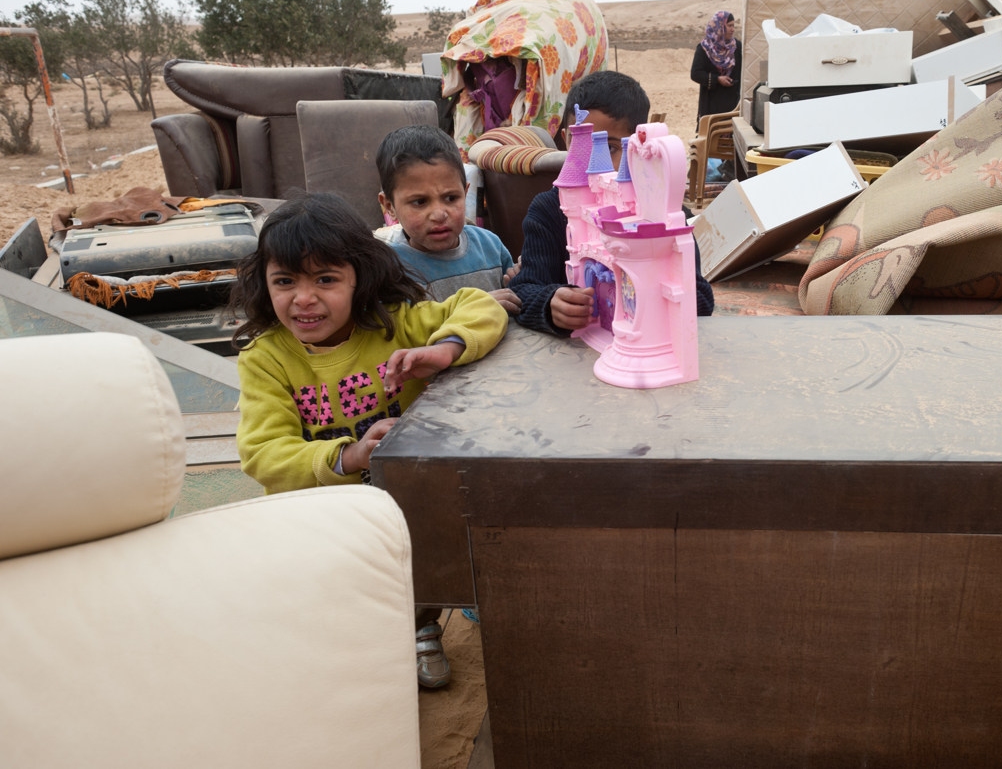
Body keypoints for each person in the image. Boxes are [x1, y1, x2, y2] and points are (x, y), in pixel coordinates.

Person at [229, 192, 508, 691]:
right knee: (338, 606)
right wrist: (350, 454)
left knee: (416, 561)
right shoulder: (265, 359)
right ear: (264, 283)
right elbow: (263, 454)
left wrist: (445, 349)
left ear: (360, 277)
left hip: (404, 505)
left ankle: (421, 626)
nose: (303, 298)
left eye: (325, 279)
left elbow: (480, 306)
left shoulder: (393, 324)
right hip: (322, 518)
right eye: (285, 281)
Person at [509, 70, 714, 335]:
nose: (593, 164)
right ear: (566, 139)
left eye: (610, 148)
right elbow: (522, 291)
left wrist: (653, 291)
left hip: (643, 345)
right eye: (581, 144)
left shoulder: (662, 214)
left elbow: (701, 298)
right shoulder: (548, 211)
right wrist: (549, 304)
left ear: (637, 149)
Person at [375, 124, 522, 313]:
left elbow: (513, 301)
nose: (439, 215)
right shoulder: (390, 271)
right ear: (389, 206)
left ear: (465, 193)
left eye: (451, 198)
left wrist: (519, 282)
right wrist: (473, 308)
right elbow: (399, 327)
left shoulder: (490, 247)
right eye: (420, 202)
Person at [691, 11, 741, 121]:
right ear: (720, 27)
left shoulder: (737, 47)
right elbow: (695, 73)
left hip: (733, 107)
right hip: (711, 106)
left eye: (733, 26)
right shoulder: (704, 48)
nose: (733, 29)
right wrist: (717, 79)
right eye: (729, 26)